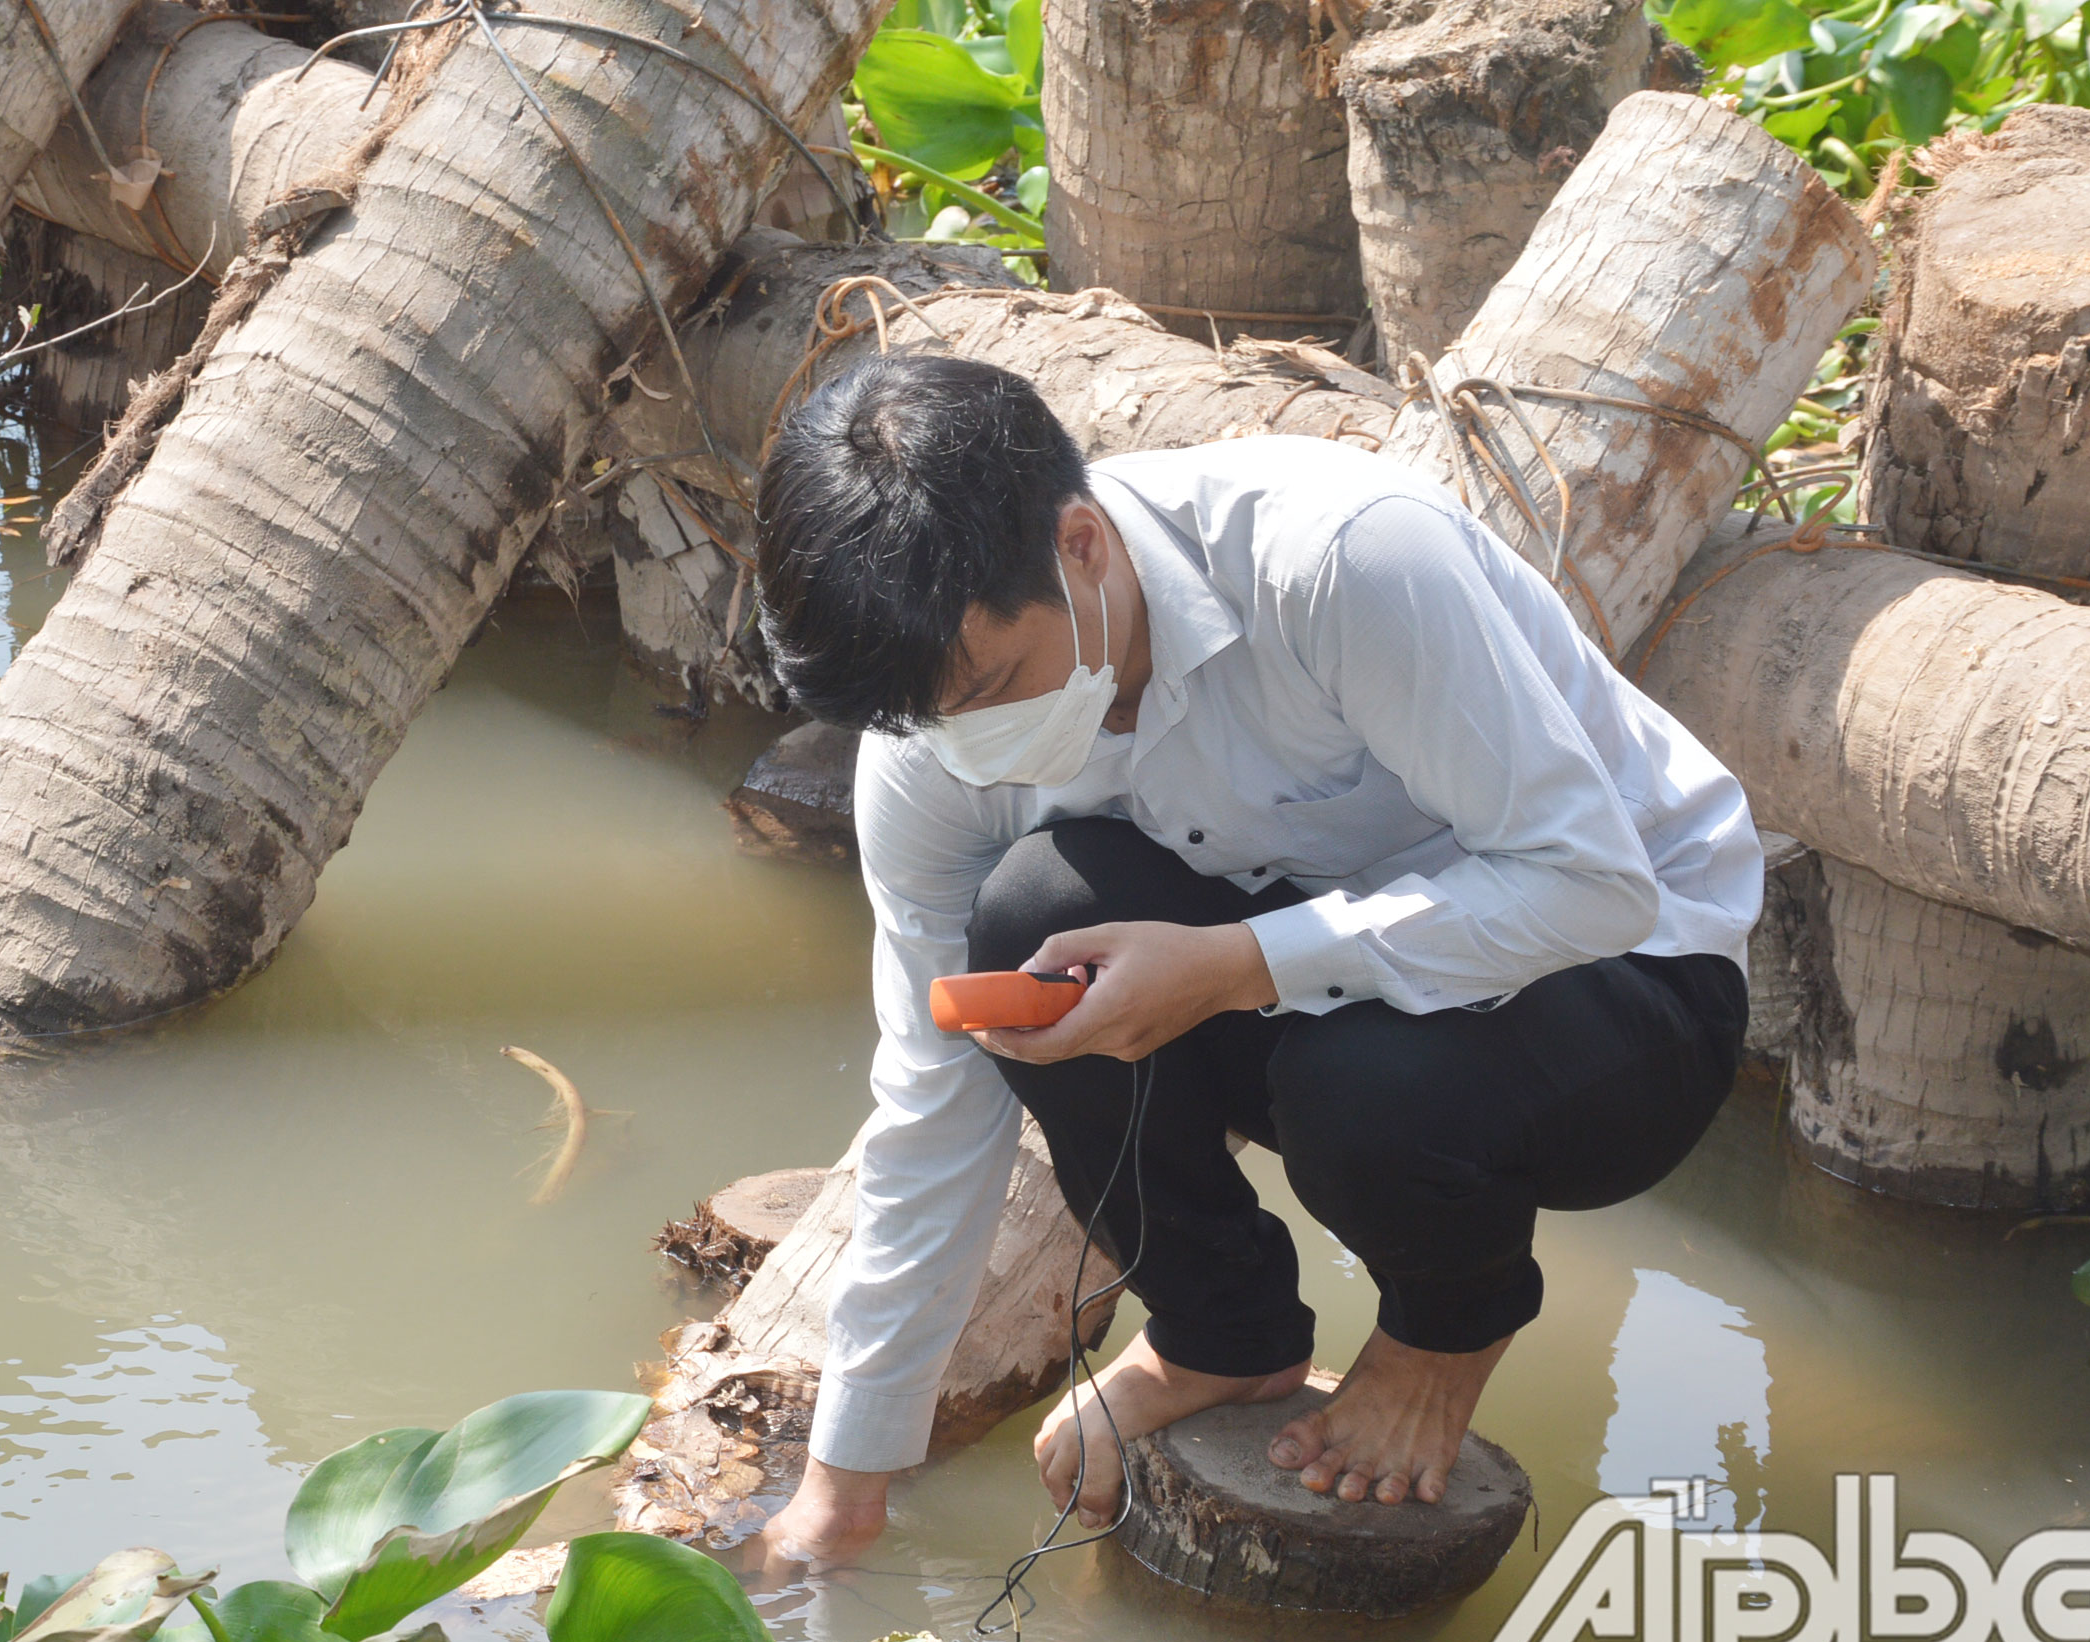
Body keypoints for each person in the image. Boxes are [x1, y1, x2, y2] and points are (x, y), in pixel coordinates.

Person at [747, 356, 1757, 1567]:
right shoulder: (928, 741)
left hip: (1627, 979)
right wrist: (844, 1479)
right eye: (926, 722)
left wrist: (1235, 965)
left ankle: (1444, 1333)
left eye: (994, 688)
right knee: (1024, 930)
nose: (968, 745)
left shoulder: (1338, 559)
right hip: (1318, 972)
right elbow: (934, 1084)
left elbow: (1586, 884)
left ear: (1080, 545)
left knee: (1367, 1085)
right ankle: (1220, 1333)